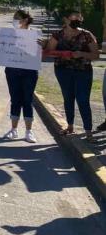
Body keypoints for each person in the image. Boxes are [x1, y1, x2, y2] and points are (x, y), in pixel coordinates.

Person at [46, 10, 99, 141]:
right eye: (74, 18)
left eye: (80, 18)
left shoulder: (87, 35)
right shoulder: (58, 35)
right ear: (66, 19)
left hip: (83, 71)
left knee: (83, 100)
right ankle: (70, 126)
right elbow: (48, 52)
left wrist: (81, 54)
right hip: (62, 70)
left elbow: (96, 55)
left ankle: (88, 132)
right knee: (68, 97)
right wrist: (61, 53)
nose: (78, 20)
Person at [3, 10, 40, 143]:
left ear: (25, 20)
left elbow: (40, 52)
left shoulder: (35, 35)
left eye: (16, 18)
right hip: (12, 70)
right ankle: (13, 130)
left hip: (29, 71)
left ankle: (29, 131)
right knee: (15, 99)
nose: (14, 20)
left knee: (27, 100)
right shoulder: (8, 35)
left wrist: (42, 45)